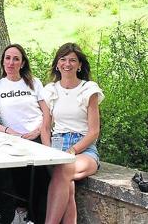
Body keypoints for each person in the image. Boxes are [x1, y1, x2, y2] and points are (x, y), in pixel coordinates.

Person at [0, 44, 50, 224]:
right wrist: (9, 131)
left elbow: (47, 113)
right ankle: (21, 212)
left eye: (16, 59)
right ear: (3, 61)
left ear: (23, 63)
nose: (11, 62)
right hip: (13, 139)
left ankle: (35, 216)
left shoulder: (34, 83)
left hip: (37, 137)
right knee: (13, 174)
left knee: (39, 178)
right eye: (8, 58)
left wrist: (37, 131)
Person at [43, 43, 104, 224]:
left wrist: (72, 151)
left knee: (64, 169)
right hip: (56, 148)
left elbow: (94, 132)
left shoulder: (89, 89)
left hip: (84, 149)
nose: (67, 64)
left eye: (72, 60)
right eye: (63, 59)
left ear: (79, 65)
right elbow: (45, 127)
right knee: (67, 185)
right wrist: (48, 152)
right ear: (57, 64)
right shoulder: (50, 90)